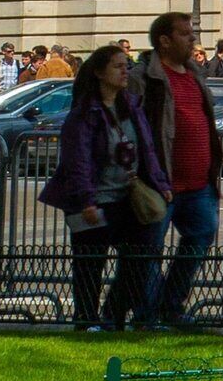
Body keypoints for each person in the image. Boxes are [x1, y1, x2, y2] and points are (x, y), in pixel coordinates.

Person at [36, 43, 169, 333]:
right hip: (93, 200)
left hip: (126, 197)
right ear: (99, 73)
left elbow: (146, 148)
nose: (125, 71)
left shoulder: (131, 106)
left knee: (138, 260)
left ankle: (114, 318)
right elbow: (78, 160)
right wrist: (86, 201)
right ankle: (86, 321)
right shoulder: (85, 113)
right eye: (118, 66)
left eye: (127, 65)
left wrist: (159, 183)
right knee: (89, 268)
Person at [135, 11, 223, 330]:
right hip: (160, 182)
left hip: (198, 184)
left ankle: (171, 304)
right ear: (164, 40)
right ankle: (146, 313)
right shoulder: (144, 77)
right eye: (185, 34)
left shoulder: (194, 73)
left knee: (201, 235)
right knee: (148, 250)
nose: (192, 39)